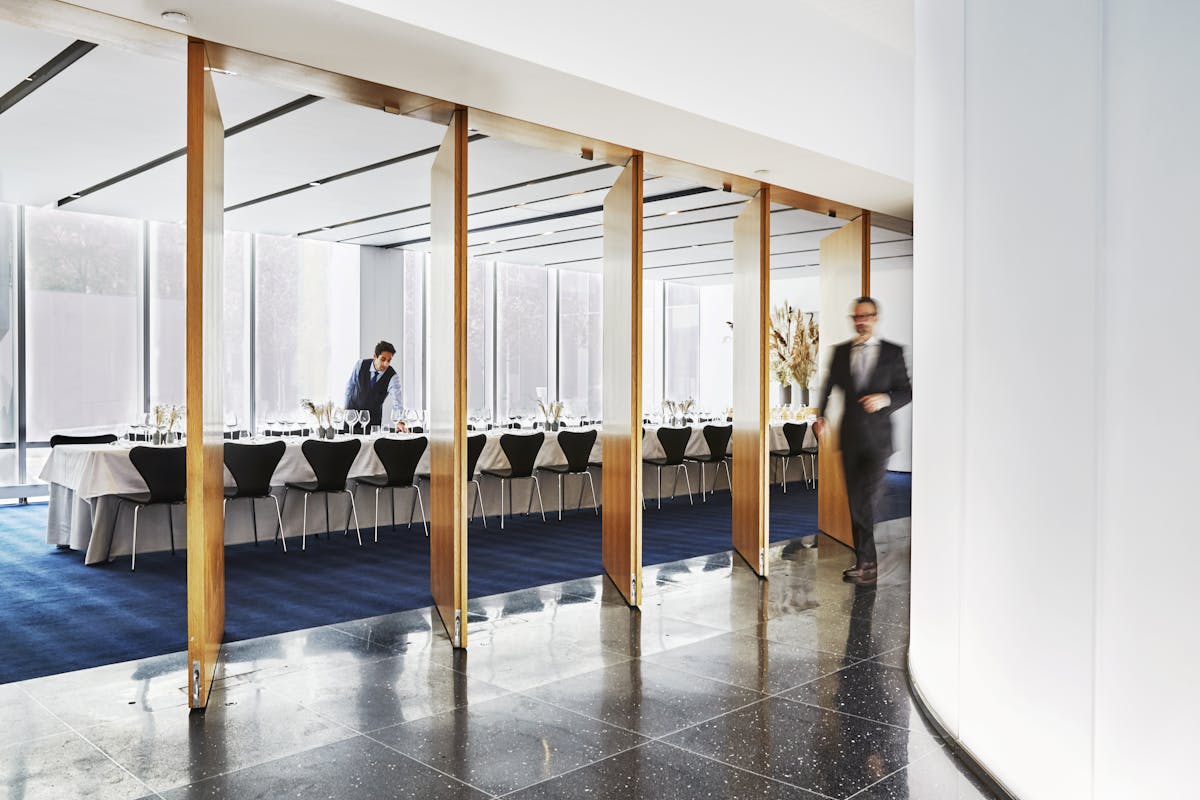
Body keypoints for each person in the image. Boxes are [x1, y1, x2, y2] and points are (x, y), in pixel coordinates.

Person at [812, 297, 911, 584]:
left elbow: (907, 391)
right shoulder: (841, 353)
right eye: (856, 316)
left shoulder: (892, 353)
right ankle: (865, 561)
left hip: (879, 441)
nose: (861, 321)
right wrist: (821, 416)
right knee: (856, 501)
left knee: (866, 499)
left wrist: (885, 399)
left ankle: (868, 563)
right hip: (851, 438)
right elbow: (827, 388)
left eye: (866, 316)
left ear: (875, 317)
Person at [344, 340, 405, 432]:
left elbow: (397, 400)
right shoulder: (360, 365)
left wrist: (399, 421)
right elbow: (350, 388)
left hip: (373, 422)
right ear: (375, 356)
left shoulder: (392, 376)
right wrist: (346, 409)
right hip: (352, 418)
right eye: (383, 359)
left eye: (389, 360)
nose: (386, 364)